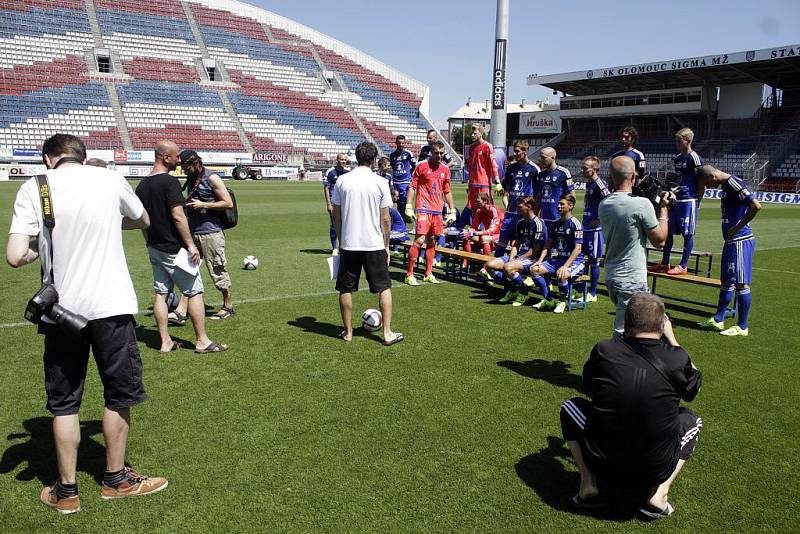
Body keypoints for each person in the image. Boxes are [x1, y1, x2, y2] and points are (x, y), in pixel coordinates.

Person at [6, 134, 166, 514]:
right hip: (111, 306)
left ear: (49, 158)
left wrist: (40, 248)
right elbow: (141, 218)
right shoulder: (110, 178)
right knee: (118, 395)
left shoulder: (36, 186)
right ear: (83, 156)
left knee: (64, 404)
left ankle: (67, 492)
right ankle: (115, 481)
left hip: (62, 311)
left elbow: (15, 256)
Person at [560, 293, 702, 520]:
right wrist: (673, 338)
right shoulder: (677, 357)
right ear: (662, 324)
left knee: (570, 407)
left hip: (604, 462)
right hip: (654, 468)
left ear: (625, 323)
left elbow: (589, 385)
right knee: (692, 419)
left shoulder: (604, 350)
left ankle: (589, 484)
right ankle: (659, 493)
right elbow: (693, 389)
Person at [136, 141, 228, 354]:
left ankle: (165, 341)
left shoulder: (142, 185)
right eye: (176, 156)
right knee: (194, 291)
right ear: (165, 157)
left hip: (154, 246)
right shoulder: (169, 182)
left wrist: (149, 241)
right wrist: (190, 246)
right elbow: (178, 216)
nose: (179, 161)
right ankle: (202, 341)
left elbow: (142, 219)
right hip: (173, 248)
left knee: (161, 293)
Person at [332, 141, 403, 345]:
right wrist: (387, 245)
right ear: (373, 160)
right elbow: (386, 219)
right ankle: (387, 333)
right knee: (384, 287)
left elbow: (335, 215)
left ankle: (347, 333)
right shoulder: (380, 182)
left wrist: (340, 237)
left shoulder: (342, 181)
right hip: (374, 244)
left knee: (345, 288)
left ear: (356, 157)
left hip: (349, 243)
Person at [600, 156, 672, 337]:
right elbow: (660, 241)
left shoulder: (605, 204)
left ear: (611, 176)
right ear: (633, 176)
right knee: (625, 330)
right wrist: (663, 210)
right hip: (631, 278)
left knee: (642, 324)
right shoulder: (641, 204)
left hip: (612, 275)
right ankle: (614, 364)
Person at [696, 165, 761, 336]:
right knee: (726, 280)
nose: (708, 187)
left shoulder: (733, 182)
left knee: (740, 282)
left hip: (740, 240)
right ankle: (718, 320)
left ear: (712, 176)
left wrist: (738, 227)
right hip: (730, 241)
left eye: (707, 184)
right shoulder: (726, 186)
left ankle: (742, 326)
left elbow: (756, 205)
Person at [170, 150, 236, 320]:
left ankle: (228, 306)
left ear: (195, 163)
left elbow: (227, 203)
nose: (184, 171)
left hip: (211, 232)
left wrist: (203, 204)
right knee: (188, 271)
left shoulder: (212, 178)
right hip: (193, 232)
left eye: (186, 167)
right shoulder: (191, 179)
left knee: (217, 270)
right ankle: (181, 311)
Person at [477, 196, 547, 306]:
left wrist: (516, 260)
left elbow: (535, 251)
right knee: (489, 266)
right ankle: (513, 289)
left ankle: (524, 293)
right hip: (519, 257)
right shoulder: (520, 222)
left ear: (529, 207)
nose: (517, 209)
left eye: (519, 207)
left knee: (508, 267)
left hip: (532, 258)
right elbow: (516, 244)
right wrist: (511, 258)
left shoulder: (538, 224)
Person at [654, 128, 704, 275]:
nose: (676, 143)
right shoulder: (677, 158)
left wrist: (697, 202)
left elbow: (702, 183)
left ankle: (683, 265)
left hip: (689, 200)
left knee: (687, 233)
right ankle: (665, 263)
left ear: (688, 141)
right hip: (675, 200)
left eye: (679, 141)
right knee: (667, 232)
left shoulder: (694, 158)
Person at [405, 141, 456, 285]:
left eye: (442, 153)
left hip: (437, 211)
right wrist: (409, 205)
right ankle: (409, 274)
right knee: (419, 240)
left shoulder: (445, 170)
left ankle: (428, 273)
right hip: (423, 208)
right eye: (436, 153)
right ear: (431, 152)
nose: (439, 156)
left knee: (433, 241)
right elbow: (412, 186)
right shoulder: (421, 166)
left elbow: (447, 191)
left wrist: (452, 210)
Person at [529, 194, 584, 314]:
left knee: (561, 274)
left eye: (562, 204)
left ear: (570, 206)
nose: (558, 206)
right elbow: (548, 244)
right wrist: (540, 260)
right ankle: (548, 299)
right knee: (534, 269)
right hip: (557, 259)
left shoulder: (575, 224)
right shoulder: (555, 223)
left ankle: (562, 301)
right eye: (558, 204)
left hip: (575, 261)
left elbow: (578, 249)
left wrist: (566, 266)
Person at [499, 140, 539, 258]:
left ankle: (518, 269)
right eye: (514, 151)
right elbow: (506, 193)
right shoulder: (510, 169)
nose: (515, 154)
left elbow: (538, 196)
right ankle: (495, 269)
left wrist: (534, 214)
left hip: (525, 216)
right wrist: (508, 206)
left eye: (517, 151)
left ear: (525, 151)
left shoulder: (534, 169)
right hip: (510, 214)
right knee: (501, 243)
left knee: (522, 244)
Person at [580, 156, 611, 302]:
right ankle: (582, 289)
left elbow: (610, 202)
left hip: (595, 230)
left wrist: (600, 220)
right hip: (585, 227)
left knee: (594, 260)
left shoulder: (600, 184)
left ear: (595, 169)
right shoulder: (589, 184)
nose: (582, 170)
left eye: (585, 168)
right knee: (584, 259)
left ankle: (592, 293)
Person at [464, 124, 499, 225]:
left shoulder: (487, 146)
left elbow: (493, 165)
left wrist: (497, 182)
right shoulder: (471, 148)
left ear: (481, 133)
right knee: (473, 208)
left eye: (475, 133)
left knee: (487, 208)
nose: (472, 135)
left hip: (483, 183)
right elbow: (470, 167)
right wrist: (469, 183)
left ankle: (490, 230)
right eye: (472, 133)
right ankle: (475, 230)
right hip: (473, 184)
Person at [534, 147, 573, 233]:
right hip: (544, 219)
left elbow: (572, 195)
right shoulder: (541, 175)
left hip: (558, 218)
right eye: (540, 157)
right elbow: (538, 198)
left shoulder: (563, 173)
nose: (541, 160)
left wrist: (567, 216)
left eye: (544, 157)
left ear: (553, 157)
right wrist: (535, 216)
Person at [463, 192, 503, 257]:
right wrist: (469, 231)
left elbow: (492, 230)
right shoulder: (479, 211)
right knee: (465, 235)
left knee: (484, 238)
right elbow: (474, 227)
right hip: (487, 235)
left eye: (478, 202)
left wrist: (476, 233)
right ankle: (467, 261)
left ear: (485, 201)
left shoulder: (494, 210)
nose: (476, 204)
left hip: (500, 236)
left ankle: (486, 263)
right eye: (475, 202)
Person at [324, 153, 350, 251]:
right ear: (337, 160)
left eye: (345, 160)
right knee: (334, 225)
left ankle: (344, 246)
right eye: (341, 159)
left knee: (346, 225)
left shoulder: (348, 172)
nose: (343, 161)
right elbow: (326, 188)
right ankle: (335, 248)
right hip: (334, 203)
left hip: (345, 203)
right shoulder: (330, 172)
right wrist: (328, 204)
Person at [389, 135, 416, 218]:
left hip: (405, 182)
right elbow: (393, 168)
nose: (401, 145)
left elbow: (414, 166)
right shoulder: (392, 155)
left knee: (404, 204)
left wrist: (411, 177)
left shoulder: (408, 154)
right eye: (399, 143)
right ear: (396, 143)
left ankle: (403, 223)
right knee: (397, 203)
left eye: (403, 143)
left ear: (405, 143)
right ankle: (400, 223)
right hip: (396, 183)